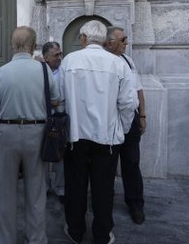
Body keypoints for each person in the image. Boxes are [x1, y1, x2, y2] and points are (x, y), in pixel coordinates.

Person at [59, 20, 136, 244]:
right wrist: (123, 128)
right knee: (104, 188)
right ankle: (102, 233)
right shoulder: (118, 64)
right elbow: (127, 103)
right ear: (103, 40)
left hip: (76, 135)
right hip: (107, 137)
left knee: (75, 185)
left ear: (83, 38)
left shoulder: (69, 61)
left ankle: (75, 230)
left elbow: (61, 99)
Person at [0, 26, 58, 244]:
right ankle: (37, 238)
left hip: (5, 132)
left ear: (12, 45)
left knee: (3, 190)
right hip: (37, 132)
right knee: (36, 190)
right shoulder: (45, 71)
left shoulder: (0, 73)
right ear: (34, 45)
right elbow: (55, 100)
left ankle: (5, 238)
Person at [104, 27, 146, 225]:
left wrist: (143, 115)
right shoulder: (103, 62)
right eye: (122, 40)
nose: (126, 43)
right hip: (110, 119)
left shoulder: (128, 61)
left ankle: (136, 204)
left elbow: (138, 89)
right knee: (107, 164)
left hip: (132, 118)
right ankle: (105, 201)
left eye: (126, 39)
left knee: (131, 163)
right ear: (109, 42)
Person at [42, 41, 65, 205]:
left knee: (60, 153)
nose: (59, 58)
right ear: (46, 57)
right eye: (56, 55)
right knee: (41, 155)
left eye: (60, 54)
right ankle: (43, 187)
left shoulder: (65, 72)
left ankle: (60, 187)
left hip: (60, 119)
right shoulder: (39, 72)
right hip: (43, 118)